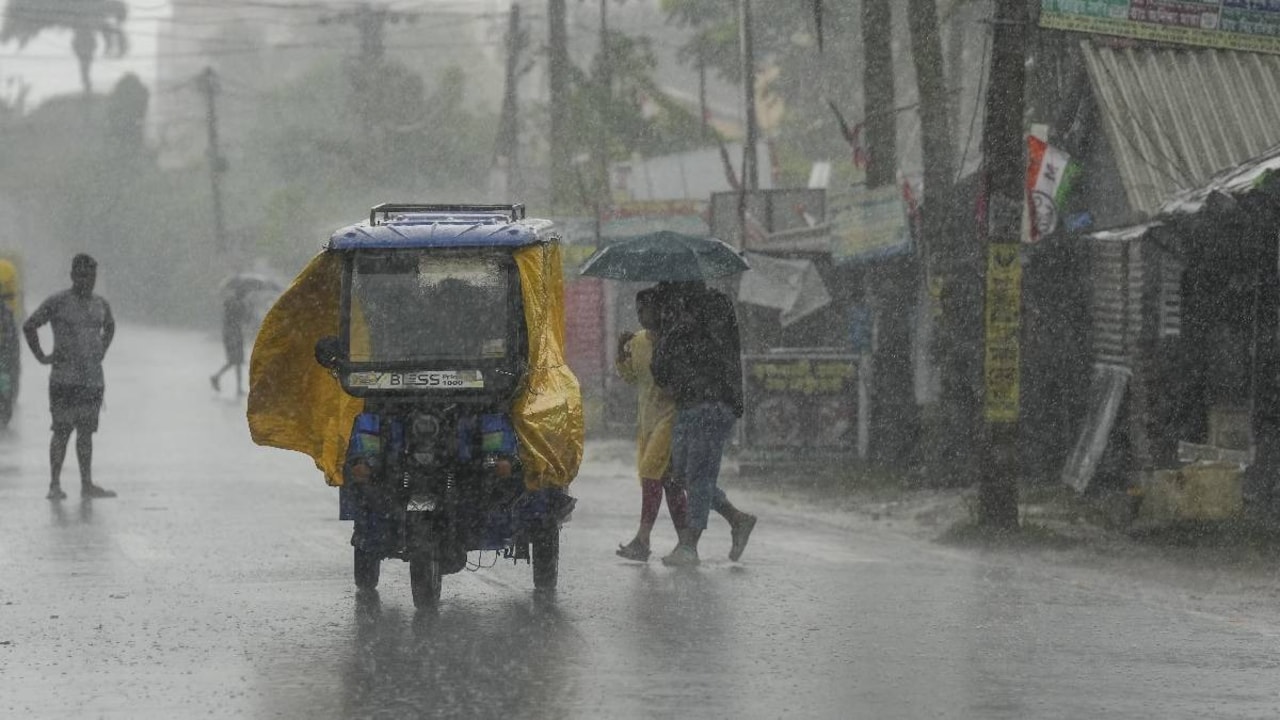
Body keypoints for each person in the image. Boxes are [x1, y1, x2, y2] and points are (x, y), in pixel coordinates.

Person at [651, 280, 757, 566]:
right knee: (681, 474)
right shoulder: (694, 314)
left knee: (698, 476)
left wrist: (669, 332)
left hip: (708, 403)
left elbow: (665, 367)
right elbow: (663, 369)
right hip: (694, 403)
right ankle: (737, 519)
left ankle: (689, 545)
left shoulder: (702, 314)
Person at [24, 254, 116, 500]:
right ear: (73, 276)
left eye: (93, 276)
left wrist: (102, 350)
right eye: (84, 276)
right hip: (64, 380)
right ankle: (54, 484)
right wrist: (42, 356)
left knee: (86, 433)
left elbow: (110, 326)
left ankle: (87, 483)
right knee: (62, 431)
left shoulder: (100, 304)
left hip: (92, 381)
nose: (89, 281)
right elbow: (30, 325)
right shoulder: (58, 302)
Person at [614, 288, 688, 561]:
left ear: (659, 311)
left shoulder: (675, 340)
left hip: (670, 418)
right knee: (669, 483)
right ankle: (686, 543)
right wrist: (621, 355)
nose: (640, 315)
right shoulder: (638, 341)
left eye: (645, 309)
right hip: (646, 421)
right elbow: (632, 378)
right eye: (638, 310)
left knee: (649, 474)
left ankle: (642, 540)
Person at [210, 288, 250, 395]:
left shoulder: (230, 303)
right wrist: (249, 307)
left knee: (236, 362)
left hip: (228, 334)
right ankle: (217, 377)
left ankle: (237, 388)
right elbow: (246, 319)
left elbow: (230, 317)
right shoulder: (240, 305)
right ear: (244, 294)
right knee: (236, 361)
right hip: (235, 335)